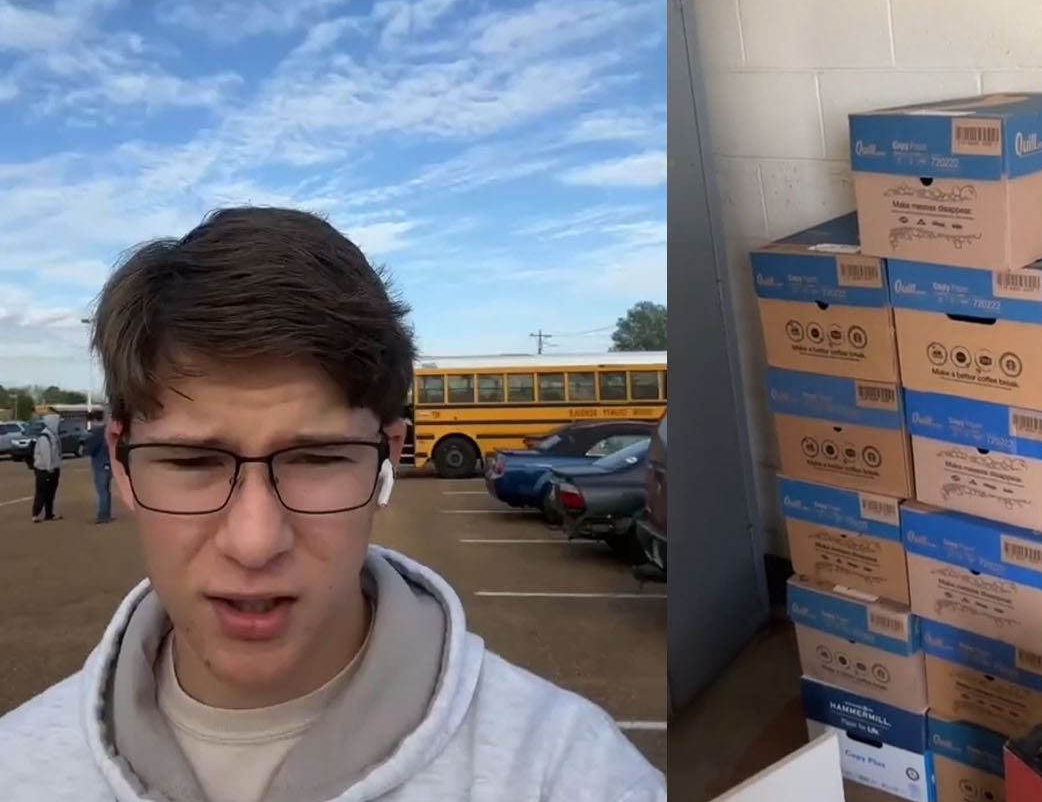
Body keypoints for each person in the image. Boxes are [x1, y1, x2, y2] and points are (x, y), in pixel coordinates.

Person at [0, 207, 666, 802]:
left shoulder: (567, 771)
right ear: (119, 460)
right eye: (194, 463)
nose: (255, 541)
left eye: (316, 460)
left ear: (388, 457)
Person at [29, 411, 61, 522]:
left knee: (51, 493)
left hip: (53, 469)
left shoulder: (53, 435)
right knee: (42, 492)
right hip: (44, 470)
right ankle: (35, 514)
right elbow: (46, 454)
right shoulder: (45, 436)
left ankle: (49, 514)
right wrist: (49, 468)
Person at [85, 407, 113, 524]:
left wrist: (86, 448)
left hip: (100, 464)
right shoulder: (108, 431)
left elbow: (91, 449)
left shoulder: (96, 432)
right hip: (109, 464)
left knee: (102, 491)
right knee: (106, 490)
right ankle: (106, 514)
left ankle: (103, 515)